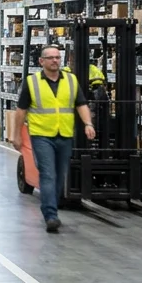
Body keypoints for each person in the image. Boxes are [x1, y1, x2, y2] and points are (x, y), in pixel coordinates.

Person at [17, 45, 96, 233]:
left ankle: (52, 206)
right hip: (41, 134)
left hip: (65, 134)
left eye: (58, 57)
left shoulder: (71, 80)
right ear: (41, 61)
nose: (55, 61)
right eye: (50, 57)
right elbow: (21, 110)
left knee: (60, 175)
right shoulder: (32, 82)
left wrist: (88, 124)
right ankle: (51, 215)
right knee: (48, 173)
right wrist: (15, 134)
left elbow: (81, 104)